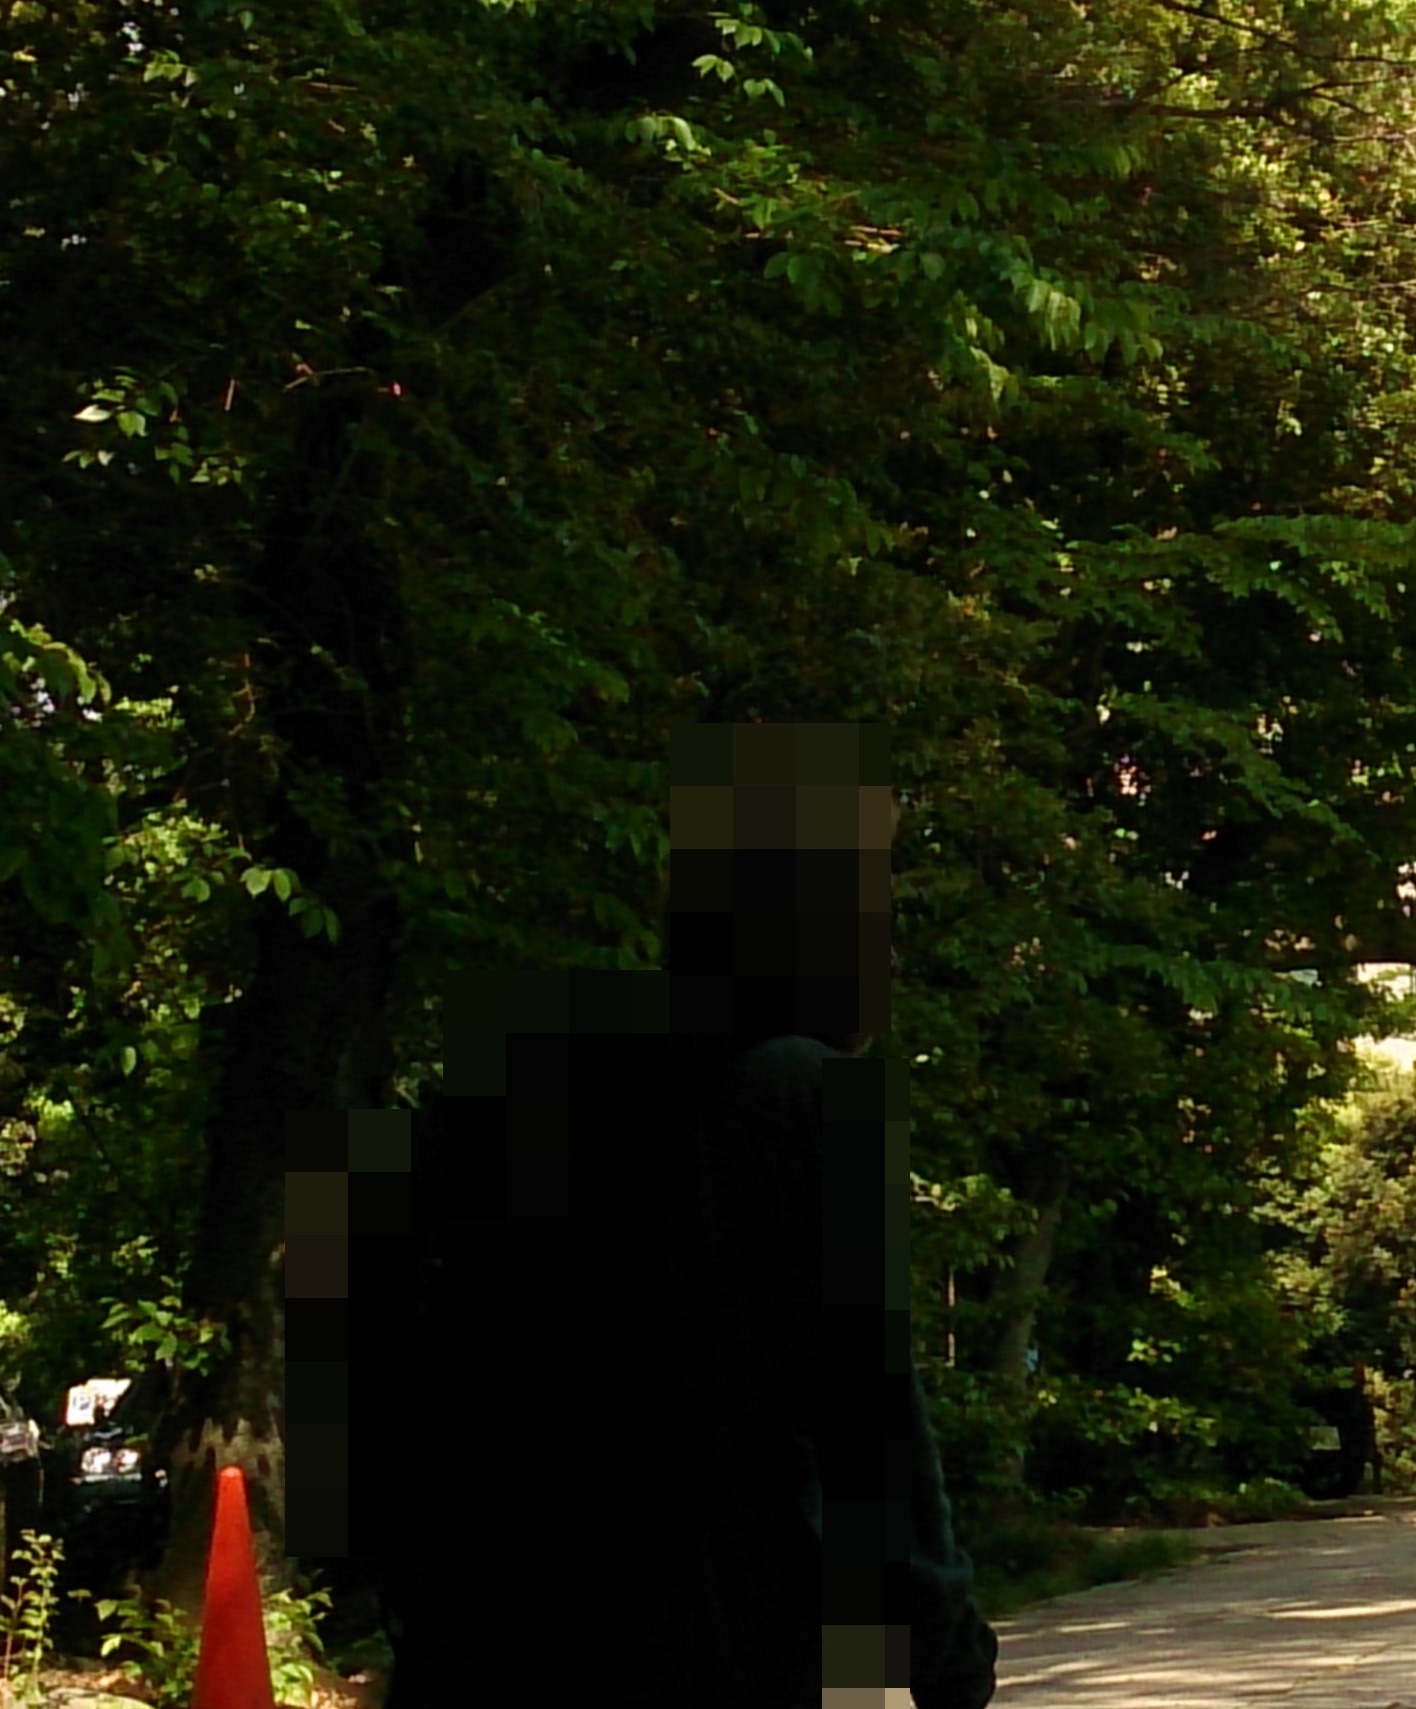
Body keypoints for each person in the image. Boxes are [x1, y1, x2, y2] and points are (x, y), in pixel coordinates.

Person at [290, 721, 1000, 1709]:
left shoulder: (538, 1083)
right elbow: (869, 1419)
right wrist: (948, 1651)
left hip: (490, 1639)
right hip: (706, 1641)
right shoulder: (801, 1095)